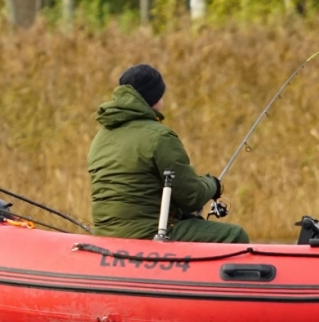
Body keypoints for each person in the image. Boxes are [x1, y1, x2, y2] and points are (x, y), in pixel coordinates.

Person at [87, 64, 249, 243]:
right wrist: (213, 185)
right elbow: (192, 197)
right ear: (154, 98)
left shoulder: (100, 137)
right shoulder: (160, 136)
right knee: (234, 235)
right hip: (148, 232)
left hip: (105, 233)